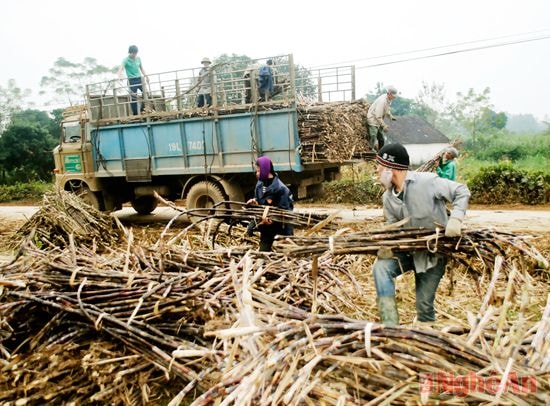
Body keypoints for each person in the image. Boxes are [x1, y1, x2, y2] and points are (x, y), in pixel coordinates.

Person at [373, 143, 470, 326]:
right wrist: (386, 243)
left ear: (391, 168)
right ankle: (389, 323)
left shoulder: (427, 182)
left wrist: (455, 219)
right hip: (407, 252)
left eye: (379, 166)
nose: (377, 170)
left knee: (424, 306)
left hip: (433, 253)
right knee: (381, 268)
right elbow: (393, 227)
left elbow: (461, 191)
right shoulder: (388, 198)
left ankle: (427, 336)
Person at [246, 156, 294, 251]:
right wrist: (254, 203)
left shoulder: (281, 189)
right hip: (266, 229)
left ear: (266, 170)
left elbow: (286, 211)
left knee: (284, 255)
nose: (257, 174)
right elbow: (260, 206)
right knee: (263, 253)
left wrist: (273, 220)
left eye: (259, 171)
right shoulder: (259, 185)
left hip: (281, 229)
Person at [366, 85, 398, 151]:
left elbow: (387, 109)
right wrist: (384, 126)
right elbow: (378, 116)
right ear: (389, 94)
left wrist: (390, 116)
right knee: (373, 136)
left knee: (381, 139)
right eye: (393, 96)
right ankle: (369, 151)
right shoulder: (382, 101)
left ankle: (380, 152)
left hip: (378, 121)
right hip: (373, 119)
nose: (394, 98)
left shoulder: (388, 99)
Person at [118, 45, 147, 115]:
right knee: (133, 97)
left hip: (140, 79)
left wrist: (146, 76)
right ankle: (135, 114)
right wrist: (120, 75)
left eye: (135, 53)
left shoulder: (138, 59)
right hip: (132, 80)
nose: (134, 55)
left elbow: (141, 68)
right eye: (133, 53)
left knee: (145, 93)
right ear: (129, 52)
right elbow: (120, 69)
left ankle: (143, 110)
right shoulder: (126, 60)